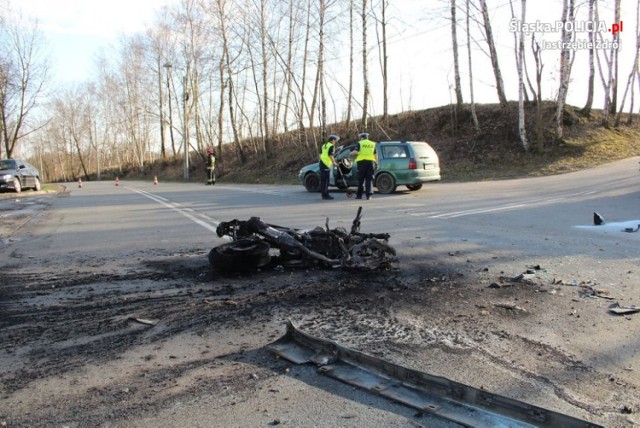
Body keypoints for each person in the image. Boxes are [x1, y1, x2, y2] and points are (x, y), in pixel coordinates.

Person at [351, 132, 377, 200]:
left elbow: (356, 152)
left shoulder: (360, 143)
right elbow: (375, 154)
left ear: (361, 138)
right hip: (371, 162)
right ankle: (368, 196)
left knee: (361, 179)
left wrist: (351, 153)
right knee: (369, 179)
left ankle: (359, 195)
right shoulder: (373, 143)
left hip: (362, 163)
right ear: (367, 137)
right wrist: (376, 162)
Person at [319, 134, 339, 200]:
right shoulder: (331, 146)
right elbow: (331, 155)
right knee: (326, 180)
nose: (335, 142)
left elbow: (320, 154)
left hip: (322, 163)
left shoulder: (324, 145)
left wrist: (322, 160)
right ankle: (325, 195)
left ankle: (323, 194)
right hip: (326, 164)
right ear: (332, 140)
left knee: (323, 180)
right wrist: (334, 163)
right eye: (335, 140)